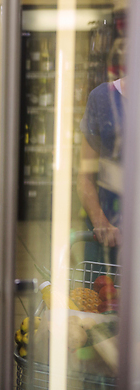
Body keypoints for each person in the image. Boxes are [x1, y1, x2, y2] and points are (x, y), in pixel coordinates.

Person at [77, 77, 124, 264]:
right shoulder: (103, 98)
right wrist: (101, 222)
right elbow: (84, 178)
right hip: (109, 241)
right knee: (101, 291)